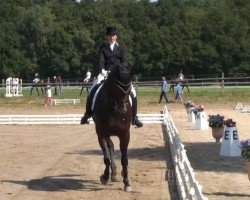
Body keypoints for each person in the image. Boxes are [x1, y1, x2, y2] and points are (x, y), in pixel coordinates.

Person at [81, 26, 143, 128]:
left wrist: (117, 69)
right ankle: (87, 114)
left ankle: (135, 117)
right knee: (93, 88)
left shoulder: (121, 48)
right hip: (105, 73)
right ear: (107, 37)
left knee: (133, 92)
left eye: (113, 35)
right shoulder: (103, 48)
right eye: (110, 36)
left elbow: (125, 62)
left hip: (119, 74)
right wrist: (103, 70)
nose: (111, 37)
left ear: (116, 37)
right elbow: (101, 61)